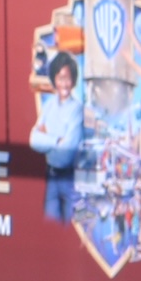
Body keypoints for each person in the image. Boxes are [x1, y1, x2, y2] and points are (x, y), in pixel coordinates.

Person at [29, 52, 83, 223]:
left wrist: (47, 136)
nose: (64, 84)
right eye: (60, 78)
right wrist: (56, 140)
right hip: (51, 176)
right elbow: (33, 140)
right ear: (54, 80)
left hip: (69, 179)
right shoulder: (49, 105)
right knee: (50, 225)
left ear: (74, 80)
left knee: (67, 229)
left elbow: (67, 151)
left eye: (67, 78)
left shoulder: (77, 109)